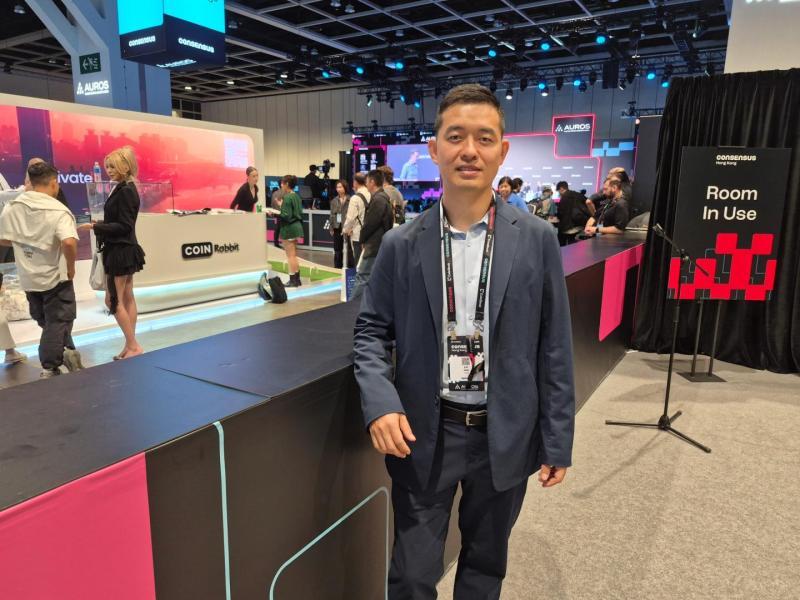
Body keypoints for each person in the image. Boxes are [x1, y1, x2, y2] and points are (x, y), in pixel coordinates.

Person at [353, 84, 575, 599]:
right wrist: (380, 404)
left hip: (506, 433)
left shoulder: (537, 239)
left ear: (502, 150)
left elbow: (555, 345)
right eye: (455, 137)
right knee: (411, 576)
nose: (469, 150)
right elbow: (370, 332)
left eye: (484, 138)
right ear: (435, 149)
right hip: (426, 432)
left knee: (484, 568)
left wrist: (557, 438)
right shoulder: (401, 244)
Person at [0, 161, 83, 377]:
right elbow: (68, 242)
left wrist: (24, 243)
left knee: (46, 320)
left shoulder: (12, 207)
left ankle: (68, 351)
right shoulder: (59, 210)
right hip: (55, 277)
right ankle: (50, 365)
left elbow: (3, 237)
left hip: (28, 277)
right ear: (54, 183)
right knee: (58, 321)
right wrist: (71, 267)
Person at [77, 146, 146, 360]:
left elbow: (124, 225)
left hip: (120, 250)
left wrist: (96, 227)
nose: (109, 170)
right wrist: (101, 224)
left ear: (125, 166)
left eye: (113, 166)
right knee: (127, 297)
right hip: (124, 248)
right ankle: (130, 345)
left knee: (112, 301)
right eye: (107, 166)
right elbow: (121, 222)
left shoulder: (126, 190)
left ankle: (133, 345)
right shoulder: (125, 188)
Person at [350, 169, 392, 301]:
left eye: (367, 182)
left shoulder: (379, 199)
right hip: (379, 244)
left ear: (372, 182)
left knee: (362, 276)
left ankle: (351, 306)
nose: (366, 184)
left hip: (374, 245)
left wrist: (362, 239)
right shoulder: (382, 198)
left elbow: (370, 224)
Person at [278, 174, 304, 287]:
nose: (281, 185)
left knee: (290, 256)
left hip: (289, 228)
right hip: (296, 227)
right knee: (294, 255)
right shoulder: (296, 196)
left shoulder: (287, 197)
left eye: (282, 183)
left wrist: (277, 212)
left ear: (287, 184)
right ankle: (297, 279)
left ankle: (293, 280)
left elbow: (286, 215)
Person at [343, 172, 369, 267]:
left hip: (358, 234)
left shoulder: (355, 198)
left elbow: (350, 218)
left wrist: (345, 230)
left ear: (355, 182)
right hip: (371, 234)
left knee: (359, 263)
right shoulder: (372, 194)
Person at [555, 180, 590, 245]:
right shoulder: (578, 195)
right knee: (573, 244)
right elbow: (589, 203)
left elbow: (560, 214)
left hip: (567, 227)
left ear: (561, 189)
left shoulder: (564, 198)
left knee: (561, 243)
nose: (559, 193)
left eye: (558, 191)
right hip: (580, 226)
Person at [329, 180, 348, 268]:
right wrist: (331, 227)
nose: (338, 189)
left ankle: (348, 268)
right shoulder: (334, 201)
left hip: (347, 227)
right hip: (337, 226)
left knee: (348, 249)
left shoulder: (350, 199)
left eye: (340, 187)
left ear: (345, 187)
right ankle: (337, 267)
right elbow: (332, 215)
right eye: (337, 187)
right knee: (337, 249)